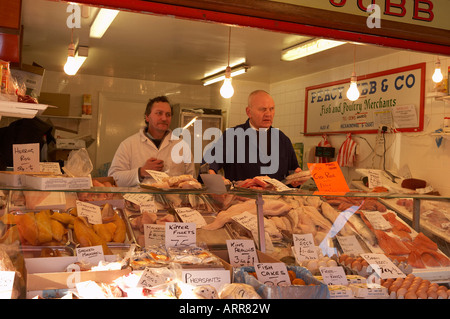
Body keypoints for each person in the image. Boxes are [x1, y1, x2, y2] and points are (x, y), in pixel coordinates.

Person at [204, 90, 302, 183]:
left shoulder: (283, 139)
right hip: (241, 199)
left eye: (271, 109)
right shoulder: (232, 136)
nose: (268, 114)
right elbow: (207, 164)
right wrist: (216, 183)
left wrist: (297, 178)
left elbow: (292, 172)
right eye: (263, 109)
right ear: (249, 112)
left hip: (277, 200)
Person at [108, 95, 195, 186]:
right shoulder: (128, 145)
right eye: (159, 113)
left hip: (174, 200)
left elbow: (192, 180)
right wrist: (141, 172)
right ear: (147, 117)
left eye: (168, 115)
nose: (164, 118)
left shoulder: (182, 146)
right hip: (138, 200)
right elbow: (114, 178)